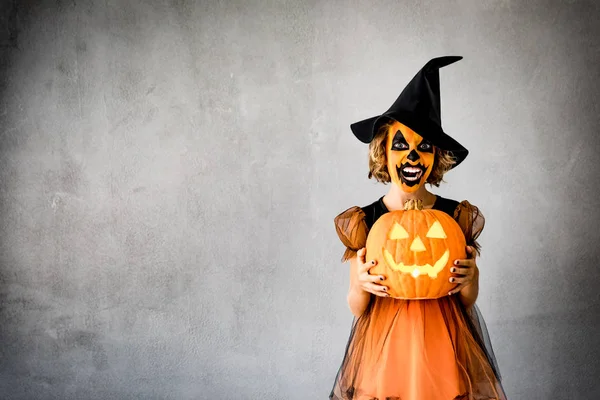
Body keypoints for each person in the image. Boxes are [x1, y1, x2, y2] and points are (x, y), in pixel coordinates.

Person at [329, 56, 508, 400]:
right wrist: (363, 285)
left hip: (443, 341)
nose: (411, 157)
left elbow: (467, 302)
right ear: (383, 150)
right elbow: (356, 305)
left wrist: (471, 280)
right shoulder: (366, 221)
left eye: (423, 147)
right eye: (400, 145)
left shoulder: (454, 216)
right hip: (386, 347)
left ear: (436, 157)